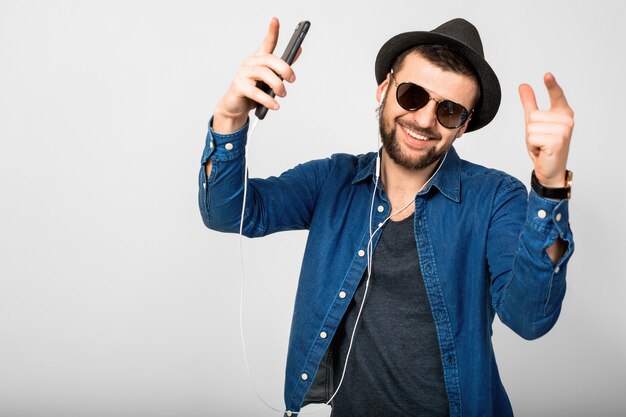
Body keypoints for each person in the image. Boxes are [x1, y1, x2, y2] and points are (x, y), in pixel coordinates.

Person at [198, 17, 574, 417]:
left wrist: (549, 187)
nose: (425, 120)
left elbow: (530, 318)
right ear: (385, 88)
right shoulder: (333, 180)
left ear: (463, 126)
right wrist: (229, 115)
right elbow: (228, 212)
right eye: (412, 95)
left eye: (448, 110)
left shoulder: (496, 197)